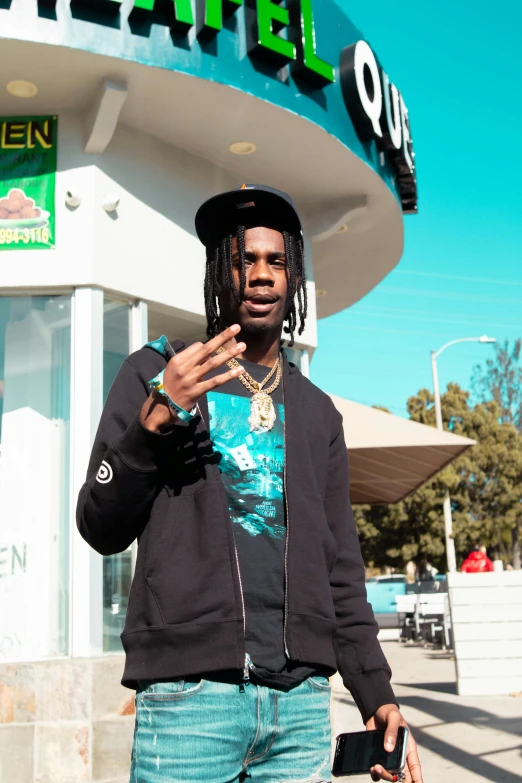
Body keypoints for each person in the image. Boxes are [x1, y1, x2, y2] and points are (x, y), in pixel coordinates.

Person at [77, 185, 423, 783]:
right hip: (189, 705)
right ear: (219, 272)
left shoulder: (319, 415)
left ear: (293, 279)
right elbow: (99, 524)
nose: (260, 275)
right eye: (243, 260)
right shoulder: (157, 372)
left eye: (276, 261)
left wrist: (376, 691)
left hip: (301, 710)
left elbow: (342, 567)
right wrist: (152, 425)